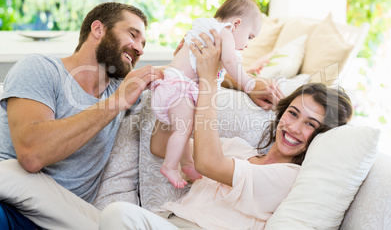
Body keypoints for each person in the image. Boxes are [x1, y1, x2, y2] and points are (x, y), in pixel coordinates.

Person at [98, 31, 354, 229]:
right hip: (166, 219)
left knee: (118, 214)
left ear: (322, 137)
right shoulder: (238, 149)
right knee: (58, 198)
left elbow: (209, 163)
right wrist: (183, 79)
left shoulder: (289, 177)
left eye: (310, 124)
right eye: (293, 113)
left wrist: (209, 80)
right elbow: (160, 146)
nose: (295, 128)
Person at [0, 2, 164, 229]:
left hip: (66, 219)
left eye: (143, 43)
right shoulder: (41, 69)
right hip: (10, 210)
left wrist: (223, 68)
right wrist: (117, 102)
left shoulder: (122, 89)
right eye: (132, 34)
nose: (140, 48)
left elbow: (179, 74)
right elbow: (31, 154)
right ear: (98, 29)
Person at [150, 0, 263, 188]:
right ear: (236, 24)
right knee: (183, 129)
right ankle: (169, 166)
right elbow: (230, 62)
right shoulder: (223, 32)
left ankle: (188, 164)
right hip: (178, 88)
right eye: (250, 36)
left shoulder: (204, 28)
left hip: (175, 87)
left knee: (185, 128)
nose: (247, 44)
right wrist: (247, 82)